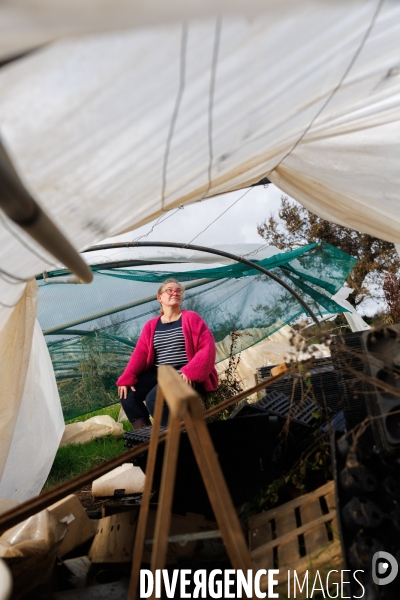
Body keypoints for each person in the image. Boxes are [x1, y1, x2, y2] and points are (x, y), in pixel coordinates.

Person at [116, 278, 218, 428]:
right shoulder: (151, 326)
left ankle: (173, 439)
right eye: (170, 290)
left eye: (178, 291)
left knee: (154, 400)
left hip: (184, 374)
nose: (175, 293)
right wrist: (127, 376)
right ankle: (147, 437)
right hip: (160, 374)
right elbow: (140, 354)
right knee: (128, 396)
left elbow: (207, 348)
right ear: (160, 298)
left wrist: (191, 371)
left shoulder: (191, 318)